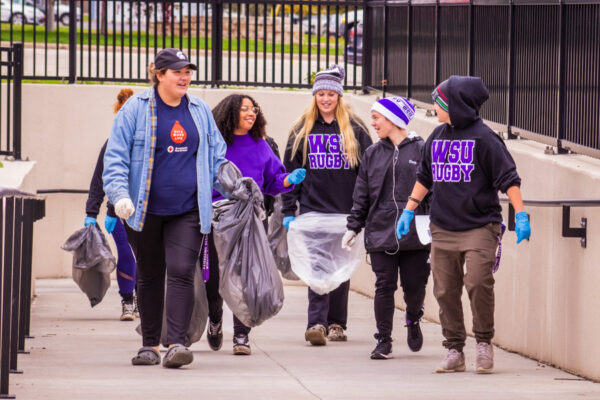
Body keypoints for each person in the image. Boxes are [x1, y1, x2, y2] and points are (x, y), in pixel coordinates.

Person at [396, 75, 531, 374]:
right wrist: (408, 210)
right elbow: (425, 178)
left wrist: (521, 215)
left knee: (479, 282)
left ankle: (484, 342)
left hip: (480, 226)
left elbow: (509, 179)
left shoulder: (485, 139)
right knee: (444, 291)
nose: (434, 107)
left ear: (456, 104)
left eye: (439, 101)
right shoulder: (437, 136)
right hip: (442, 227)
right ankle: (454, 349)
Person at [103, 48, 227, 369]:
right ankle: (149, 346)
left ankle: (176, 344)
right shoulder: (134, 110)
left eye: (188, 71)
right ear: (159, 74)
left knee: (182, 270)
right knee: (150, 273)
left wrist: (235, 187)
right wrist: (119, 196)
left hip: (188, 209)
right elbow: (115, 157)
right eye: (177, 72)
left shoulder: (199, 110)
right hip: (143, 210)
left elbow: (217, 157)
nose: (185, 77)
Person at [207, 94, 306, 355]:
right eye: (244, 110)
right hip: (218, 220)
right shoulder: (215, 145)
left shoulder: (260, 144)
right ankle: (215, 318)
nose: (251, 114)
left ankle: (241, 335)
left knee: (247, 277)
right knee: (214, 278)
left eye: (254, 109)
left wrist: (288, 180)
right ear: (230, 114)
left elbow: (273, 180)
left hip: (251, 220)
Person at [282, 64, 373, 346]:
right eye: (320, 94)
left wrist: (363, 211)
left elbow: (368, 172)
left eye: (330, 95)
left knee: (340, 268)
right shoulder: (302, 129)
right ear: (315, 97)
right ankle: (316, 324)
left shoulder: (355, 129)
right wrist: (288, 210)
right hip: (313, 211)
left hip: (346, 213)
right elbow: (291, 172)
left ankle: (336, 324)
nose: (325, 99)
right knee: (318, 267)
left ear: (338, 97)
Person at [343, 96, 431, 359]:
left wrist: (435, 223)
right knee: (384, 286)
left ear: (393, 119)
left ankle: (413, 318)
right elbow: (362, 194)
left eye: (376, 118)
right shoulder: (372, 153)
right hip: (381, 231)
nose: (373, 123)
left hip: (415, 233)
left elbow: (434, 190)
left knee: (414, 287)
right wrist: (354, 226)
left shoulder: (422, 150)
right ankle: (383, 340)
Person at [84, 88, 137, 321]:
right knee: (126, 255)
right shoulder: (112, 144)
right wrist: (91, 212)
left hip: (146, 212)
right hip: (117, 214)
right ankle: (127, 301)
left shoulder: (150, 142)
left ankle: (143, 300)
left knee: (147, 259)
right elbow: (99, 179)